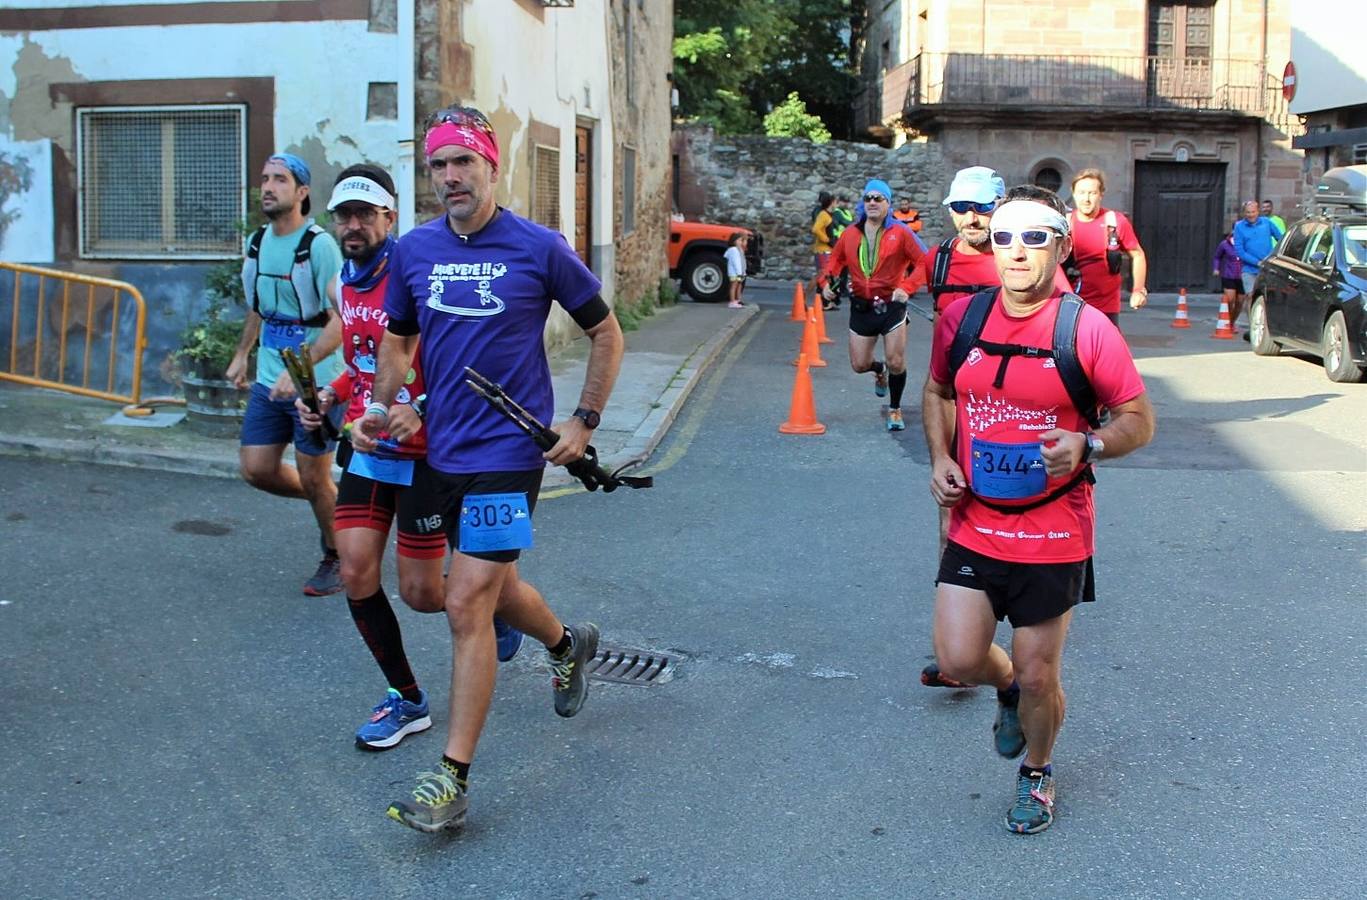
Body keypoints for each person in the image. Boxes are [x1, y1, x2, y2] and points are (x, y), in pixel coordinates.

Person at [365, 105, 625, 833]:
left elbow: (605, 334)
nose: (450, 177)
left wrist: (583, 421)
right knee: (453, 587)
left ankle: (451, 779)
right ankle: (566, 644)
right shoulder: (413, 252)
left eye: (463, 163)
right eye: (439, 165)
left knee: (466, 599)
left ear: (490, 166)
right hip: (436, 449)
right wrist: (387, 405)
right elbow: (398, 343)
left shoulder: (538, 248)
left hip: (510, 456)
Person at [921, 185, 1156, 834]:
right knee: (959, 661)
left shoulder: (1086, 329)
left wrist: (1090, 443)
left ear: (1058, 245)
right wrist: (939, 455)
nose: (1015, 252)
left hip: (1054, 530)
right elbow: (938, 391)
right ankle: (1002, 692)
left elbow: (1138, 420)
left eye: (1032, 238)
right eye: (1002, 237)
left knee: (1037, 671)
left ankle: (1037, 769)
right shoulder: (960, 321)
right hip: (974, 520)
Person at [295, 164, 525, 751]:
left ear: (388, 218)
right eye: (343, 215)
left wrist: (417, 405)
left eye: (365, 214)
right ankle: (407, 698)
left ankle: (509, 610)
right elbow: (365, 363)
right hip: (372, 450)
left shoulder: (417, 268)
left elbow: (448, 358)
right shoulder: (346, 282)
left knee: (427, 595)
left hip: (426, 453)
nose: (353, 225)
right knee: (354, 572)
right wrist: (331, 395)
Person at [227, 152, 346, 596]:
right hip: (269, 379)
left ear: (301, 192)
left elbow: (343, 318)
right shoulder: (258, 243)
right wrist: (243, 354)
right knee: (257, 469)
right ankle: (335, 505)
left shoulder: (319, 246)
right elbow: (258, 308)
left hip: (318, 384)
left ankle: (336, 555)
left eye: (280, 179)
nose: (269, 186)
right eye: (265, 178)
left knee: (315, 475)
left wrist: (304, 370)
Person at [818, 178, 925, 432]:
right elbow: (835, 261)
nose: (873, 203)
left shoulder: (901, 232)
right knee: (859, 365)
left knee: (896, 361)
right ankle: (879, 371)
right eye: (868, 198)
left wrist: (906, 288)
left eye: (879, 198)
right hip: (862, 306)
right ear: (862, 203)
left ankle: (895, 408)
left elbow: (925, 261)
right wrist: (826, 283)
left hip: (891, 306)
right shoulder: (851, 233)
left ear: (888, 203)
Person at [1067, 168, 1149, 327]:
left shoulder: (1115, 221)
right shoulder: (1065, 224)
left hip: (1106, 306)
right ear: (1074, 194)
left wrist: (1138, 289)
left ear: (1101, 194)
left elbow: (1137, 254)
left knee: (1107, 350)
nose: (1086, 199)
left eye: (1092, 193)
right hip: (1071, 303)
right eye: (1082, 192)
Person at [1234, 200, 1284, 297]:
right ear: (1244, 213)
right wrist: (1257, 262)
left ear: (1258, 211)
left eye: (1253, 212)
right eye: (1248, 212)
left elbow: (1281, 238)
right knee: (1250, 296)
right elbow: (1240, 251)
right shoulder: (1239, 227)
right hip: (1249, 270)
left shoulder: (1267, 222)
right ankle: (1251, 312)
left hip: (1268, 268)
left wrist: (1277, 258)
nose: (1251, 215)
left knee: (1269, 297)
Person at [825, 197, 857, 311]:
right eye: (844, 202)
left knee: (845, 269)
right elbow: (847, 223)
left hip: (847, 243)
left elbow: (851, 223)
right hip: (838, 242)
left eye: (847, 202)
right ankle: (834, 291)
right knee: (837, 269)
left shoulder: (847, 212)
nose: (846, 204)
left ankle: (842, 289)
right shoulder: (837, 212)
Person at [1212, 226, 1245, 333]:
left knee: (1240, 302)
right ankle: (1226, 320)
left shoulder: (1246, 244)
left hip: (1243, 276)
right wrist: (1216, 268)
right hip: (1228, 275)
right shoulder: (1224, 244)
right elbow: (1217, 257)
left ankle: (1232, 323)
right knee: (1230, 300)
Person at [811, 191, 837, 306]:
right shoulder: (823, 215)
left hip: (828, 250)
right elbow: (816, 229)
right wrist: (827, 240)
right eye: (835, 202)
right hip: (822, 250)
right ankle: (824, 302)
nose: (837, 204)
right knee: (823, 276)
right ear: (831, 203)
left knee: (827, 276)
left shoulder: (828, 215)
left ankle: (826, 302)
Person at [725, 231, 748, 309]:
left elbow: (742, 262)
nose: (741, 242)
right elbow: (736, 262)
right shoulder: (734, 250)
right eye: (740, 240)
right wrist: (739, 272)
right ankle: (732, 301)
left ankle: (737, 300)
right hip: (735, 273)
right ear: (734, 241)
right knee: (734, 286)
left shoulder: (738, 250)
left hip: (739, 272)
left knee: (739, 285)